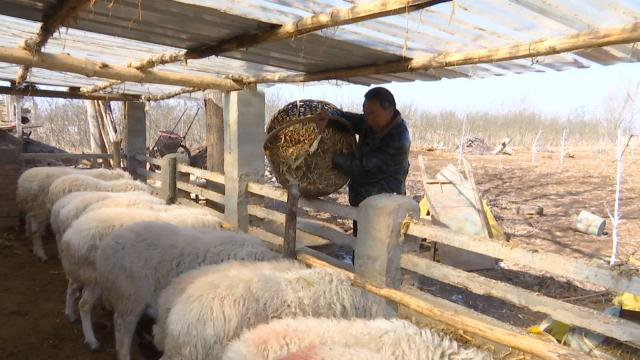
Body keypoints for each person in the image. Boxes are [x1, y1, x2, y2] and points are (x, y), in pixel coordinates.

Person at [316, 87, 411, 237]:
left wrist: (335, 159)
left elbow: (364, 169)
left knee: (377, 255)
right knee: (360, 250)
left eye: (372, 114)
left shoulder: (398, 139)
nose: (368, 119)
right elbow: (346, 118)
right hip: (364, 204)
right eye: (365, 114)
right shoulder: (372, 122)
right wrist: (330, 118)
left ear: (390, 110)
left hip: (383, 209)